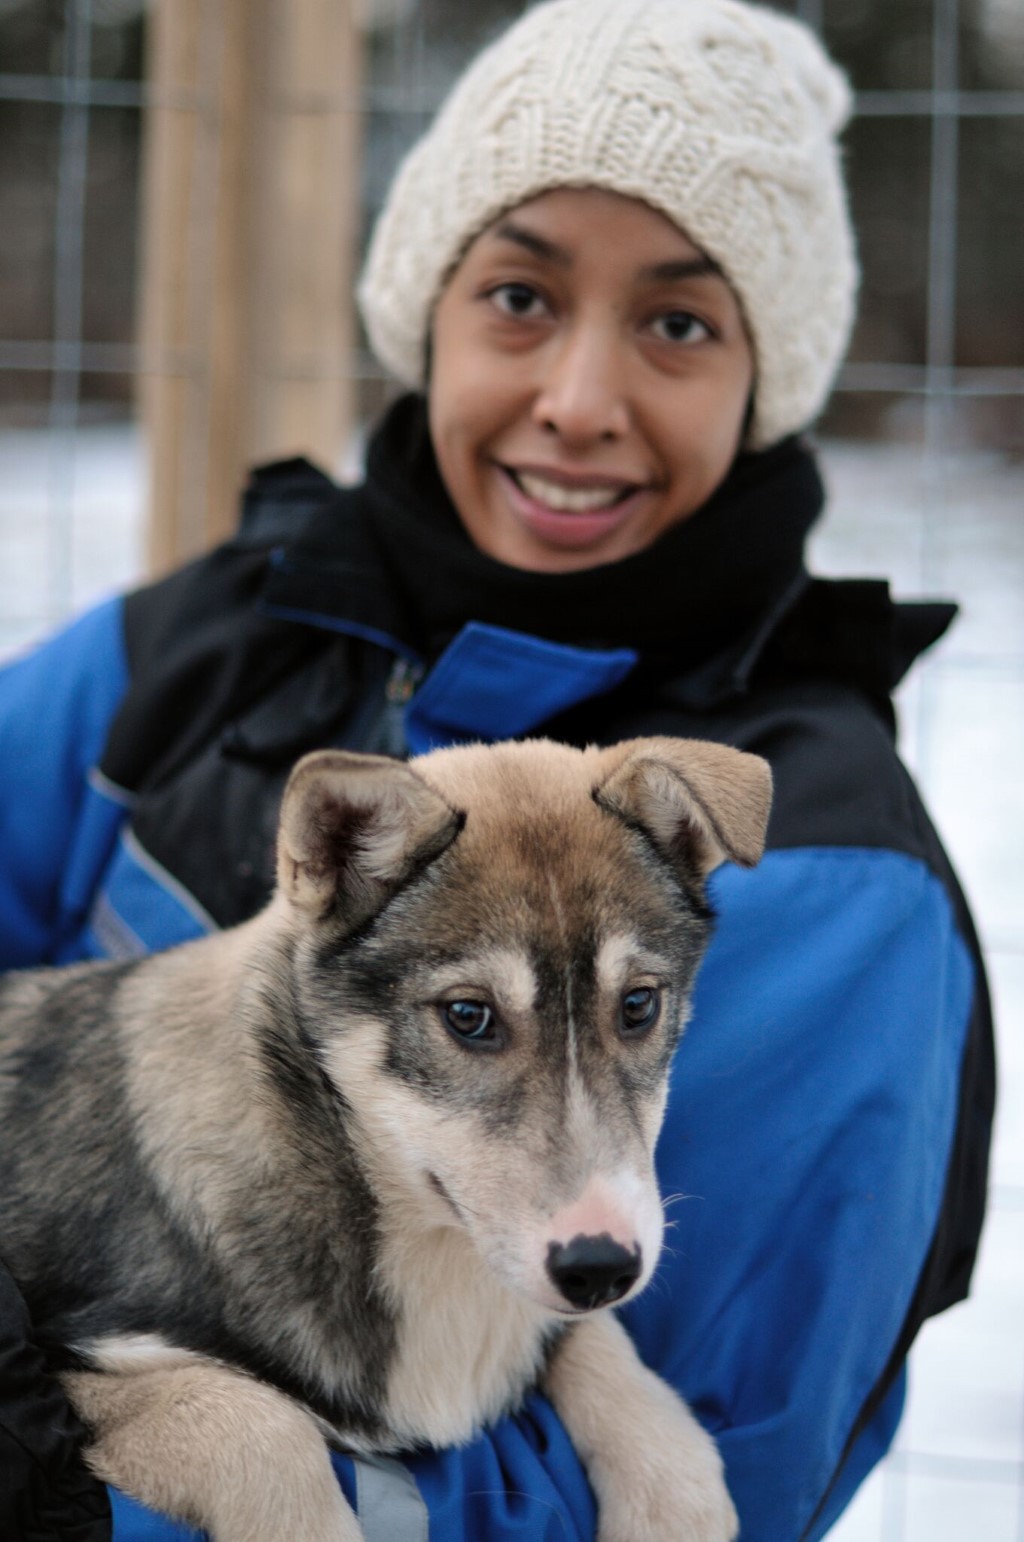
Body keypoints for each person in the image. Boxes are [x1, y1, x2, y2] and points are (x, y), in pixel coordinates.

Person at [0, 0, 994, 1537]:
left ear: (763, 370)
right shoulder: (209, 635)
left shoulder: (823, 867)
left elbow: (701, 1486)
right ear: (431, 310)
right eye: (521, 293)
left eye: (679, 321)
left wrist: (70, 1492)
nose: (580, 400)